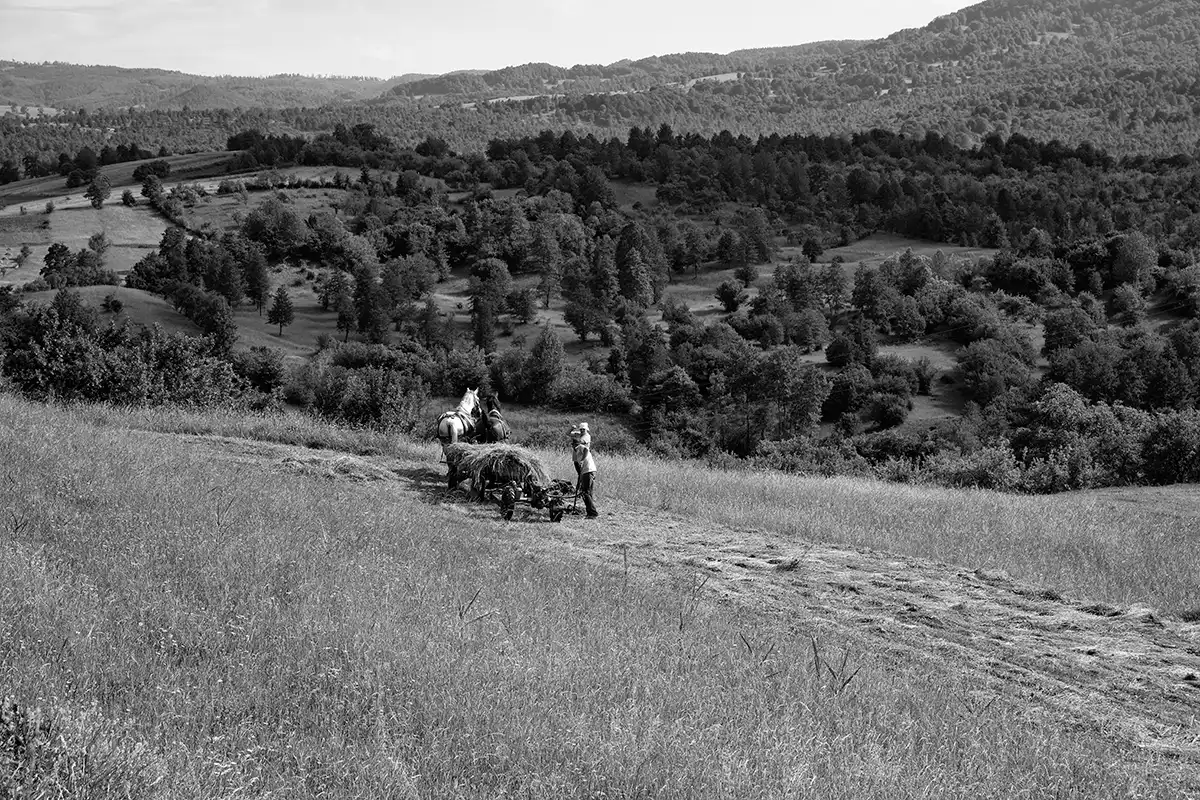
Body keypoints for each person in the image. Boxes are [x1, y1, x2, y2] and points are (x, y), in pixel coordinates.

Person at [570, 423, 599, 518]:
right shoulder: (576, 451)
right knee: (587, 492)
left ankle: (593, 513)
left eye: (574, 444)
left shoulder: (580, 447)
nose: (573, 446)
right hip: (588, 471)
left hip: (588, 471)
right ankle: (590, 513)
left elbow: (586, 450)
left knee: (585, 492)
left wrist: (582, 460)